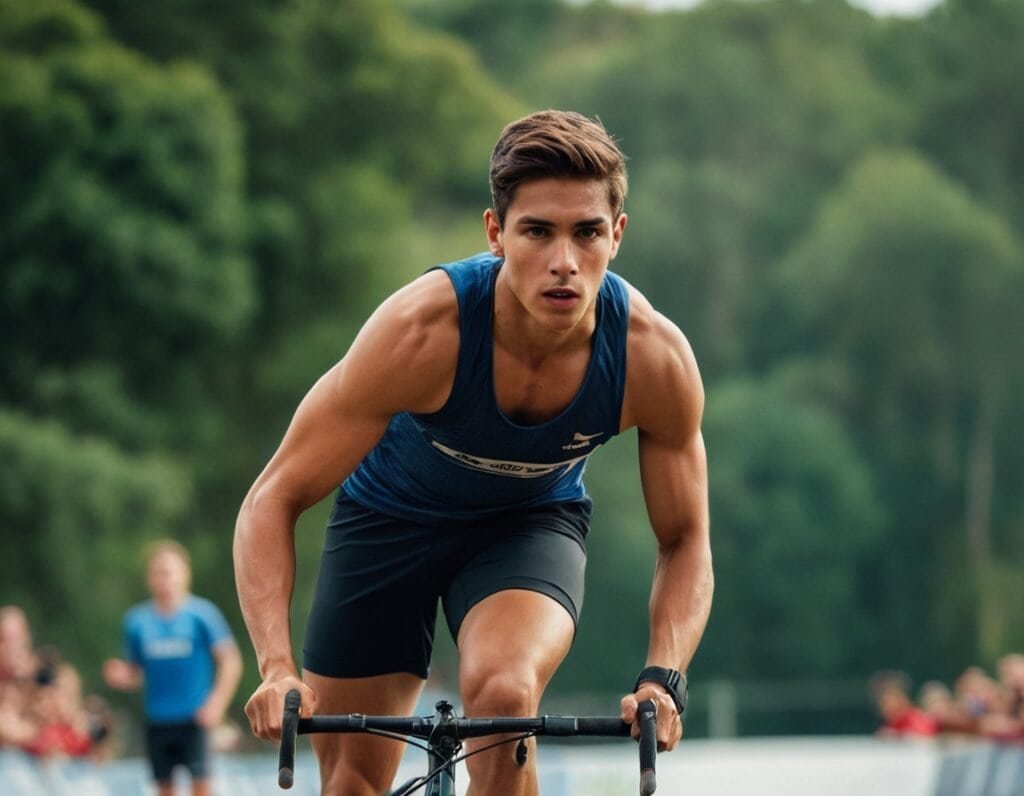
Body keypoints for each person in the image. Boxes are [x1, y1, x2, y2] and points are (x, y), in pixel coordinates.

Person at [234, 109, 713, 795]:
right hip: (386, 522)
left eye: (587, 233)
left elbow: (686, 536)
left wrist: (662, 676)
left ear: (618, 235)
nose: (563, 262)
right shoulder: (420, 331)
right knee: (350, 786)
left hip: (526, 526)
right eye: (537, 232)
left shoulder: (652, 358)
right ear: (495, 233)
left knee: (505, 693)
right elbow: (272, 497)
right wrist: (276, 667)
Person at [104, 539, 243, 796]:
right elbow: (135, 673)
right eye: (158, 573)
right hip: (158, 719)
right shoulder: (137, 622)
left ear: (184, 574)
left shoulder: (202, 615)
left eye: (170, 572)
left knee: (201, 786)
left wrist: (216, 704)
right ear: (149, 578)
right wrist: (121, 675)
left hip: (195, 718)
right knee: (163, 787)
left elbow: (231, 660)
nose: (164, 579)